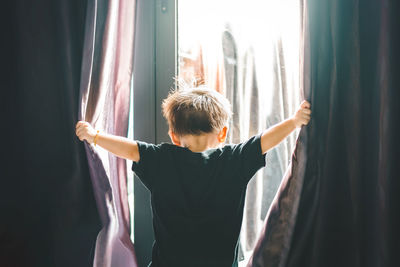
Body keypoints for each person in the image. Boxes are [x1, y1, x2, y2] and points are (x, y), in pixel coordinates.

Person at [75, 87, 311, 267]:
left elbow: (129, 149)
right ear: (223, 134)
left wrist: (94, 136)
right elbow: (264, 141)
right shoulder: (234, 160)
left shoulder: (161, 159)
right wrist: (294, 121)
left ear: (174, 137)